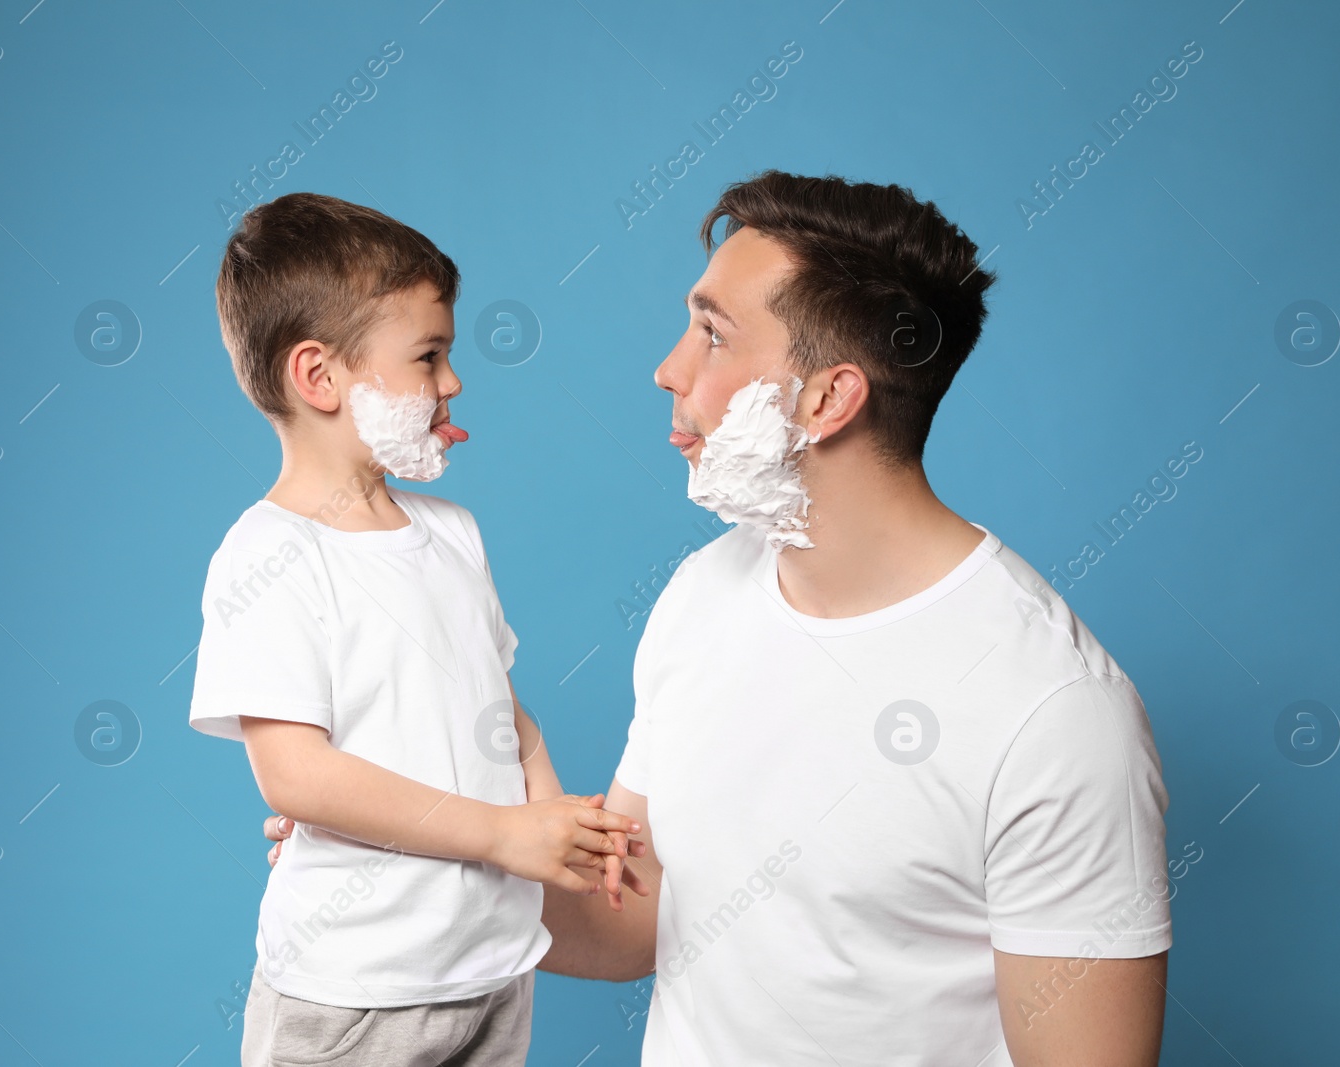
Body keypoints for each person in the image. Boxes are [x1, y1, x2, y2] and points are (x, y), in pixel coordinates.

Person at [267, 172, 1173, 1066]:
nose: (669, 368)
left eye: (712, 333)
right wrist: (409, 851)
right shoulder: (707, 591)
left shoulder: (1054, 713)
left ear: (827, 399)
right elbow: (641, 920)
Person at [189, 192, 644, 1067]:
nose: (454, 380)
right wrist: (502, 834)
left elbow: (505, 721)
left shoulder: (454, 534)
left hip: (491, 970)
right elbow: (295, 774)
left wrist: (557, 825)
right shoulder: (270, 554)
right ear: (319, 377)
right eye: (429, 356)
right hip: (357, 990)